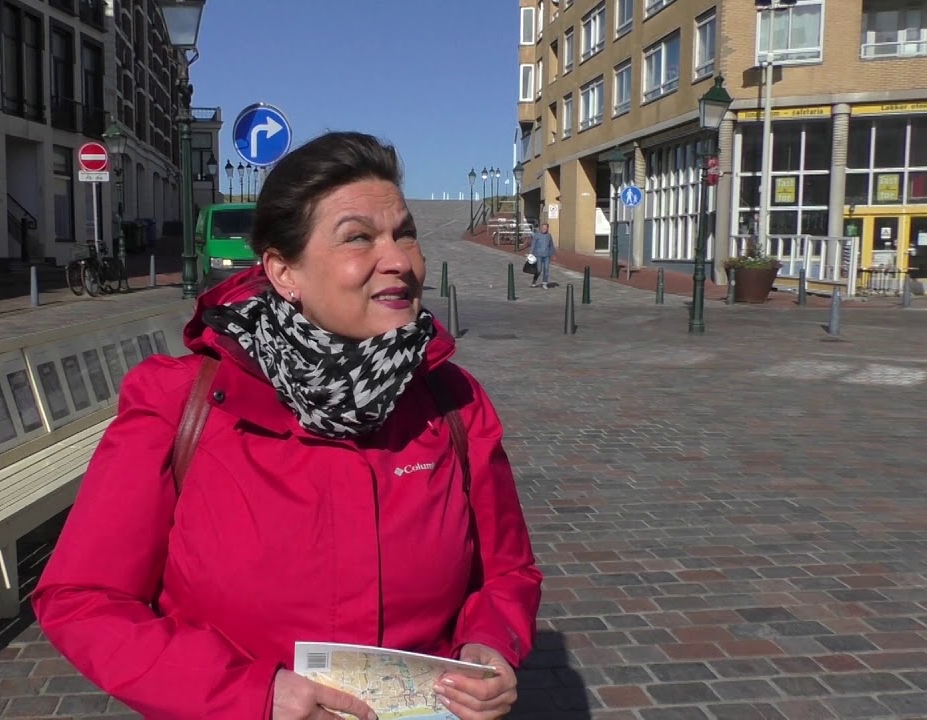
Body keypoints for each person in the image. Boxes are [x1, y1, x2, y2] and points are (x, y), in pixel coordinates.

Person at [32, 131, 543, 720]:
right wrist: (255, 698)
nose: (401, 260)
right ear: (283, 271)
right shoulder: (179, 401)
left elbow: (508, 572)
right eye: (360, 238)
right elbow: (84, 599)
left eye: (405, 233)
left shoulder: (453, 402)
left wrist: (491, 643)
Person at [529, 224, 555, 289]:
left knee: (546, 269)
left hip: (546, 255)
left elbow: (551, 245)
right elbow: (533, 244)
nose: (544, 229)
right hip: (538, 255)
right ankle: (534, 281)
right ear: (541, 228)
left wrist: (553, 254)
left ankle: (544, 283)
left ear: (547, 228)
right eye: (543, 228)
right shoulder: (537, 235)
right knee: (539, 270)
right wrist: (530, 253)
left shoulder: (549, 236)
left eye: (546, 228)